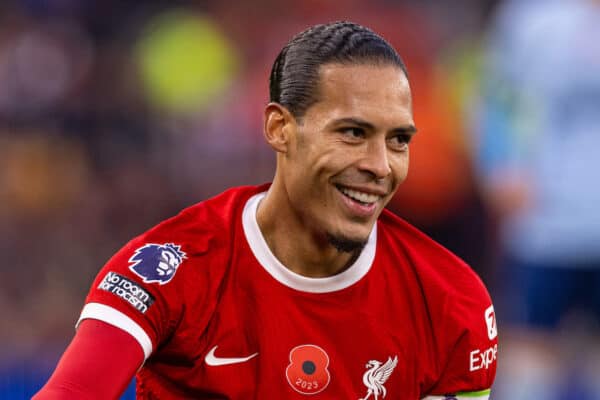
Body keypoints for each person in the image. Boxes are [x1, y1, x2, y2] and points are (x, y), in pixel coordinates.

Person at [34, 21, 497, 399]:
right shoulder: (167, 269)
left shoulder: (454, 304)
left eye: (398, 140)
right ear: (279, 129)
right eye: (353, 133)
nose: (380, 166)